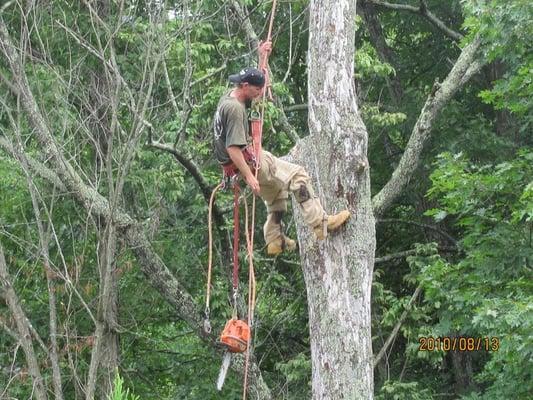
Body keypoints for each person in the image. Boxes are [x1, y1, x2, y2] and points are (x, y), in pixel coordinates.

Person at [213, 42, 351, 255]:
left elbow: (257, 85)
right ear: (246, 86)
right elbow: (233, 148)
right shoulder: (235, 110)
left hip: (235, 168)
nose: (261, 93)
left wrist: (262, 59)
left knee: (276, 192)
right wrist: (250, 176)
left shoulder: (229, 98)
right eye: (257, 89)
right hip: (249, 162)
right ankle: (321, 223)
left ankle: (274, 239)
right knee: (298, 176)